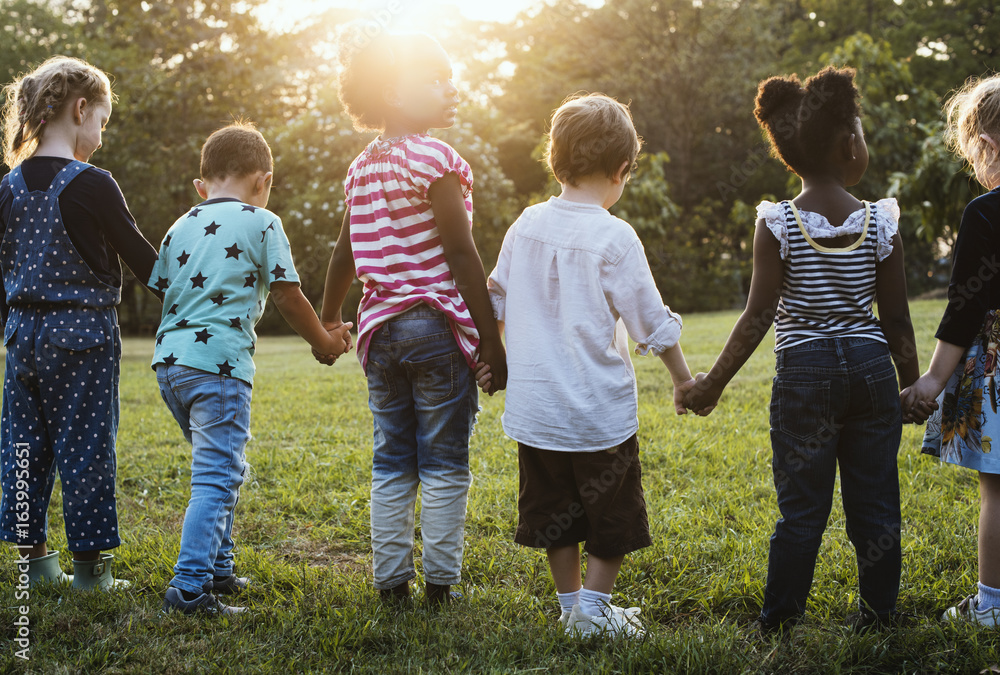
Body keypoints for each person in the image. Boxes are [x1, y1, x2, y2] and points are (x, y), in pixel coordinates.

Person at [684, 67, 922, 633]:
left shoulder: (780, 223)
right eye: (860, 132)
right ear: (849, 146)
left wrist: (711, 384)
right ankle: (879, 616)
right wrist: (909, 383)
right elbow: (896, 319)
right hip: (869, 370)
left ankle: (781, 619)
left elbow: (758, 315)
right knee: (876, 508)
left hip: (804, 374)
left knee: (801, 510)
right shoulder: (878, 223)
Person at [476, 93, 694, 638]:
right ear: (622, 170)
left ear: (558, 160)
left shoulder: (526, 224)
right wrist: (685, 380)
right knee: (611, 512)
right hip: (598, 413)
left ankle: (571, 604)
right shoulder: (613, 236)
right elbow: (651, 320)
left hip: (538, 409)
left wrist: (490, 358)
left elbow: (495, 300)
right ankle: (593, 611)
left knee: (555, 512)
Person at [319, 25, 504, 606]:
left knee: (392, 457)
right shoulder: (436, 158)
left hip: (379, 334)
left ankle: (391, 583)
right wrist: (492, 342)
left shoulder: (359, 168)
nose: (451, 88)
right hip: (432, 326)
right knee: (446, 458)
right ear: (395, 94)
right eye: (436, 78)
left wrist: (330, 317)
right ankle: (441, 585)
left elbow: (344, 252)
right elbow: (461, 253)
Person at [152, 121, 351, 615]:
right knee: (217, 475)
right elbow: (286, 293)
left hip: (171, 365)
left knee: (222, 467)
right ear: (263, 181)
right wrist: (326, 339)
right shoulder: (262, 222)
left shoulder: (179, 226)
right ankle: (189, 587)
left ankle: (218, 568)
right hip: (219, 367)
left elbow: (162, 286)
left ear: (202, 187)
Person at [0, 56, 160, 590]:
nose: (102, 135)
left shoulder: (8, 188)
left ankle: (37, 565)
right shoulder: (93, 183)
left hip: (23, 337)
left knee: (23, 448)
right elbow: (148, 265)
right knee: (87, 447)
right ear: (81, 107)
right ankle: (92, 574)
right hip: (83, 337)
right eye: (103, 123)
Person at [903, 74, 1000, 626]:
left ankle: (992, 606)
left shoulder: (985, 215)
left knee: (998, 491)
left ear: (985, 145)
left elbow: (963, 310)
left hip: (997, 367)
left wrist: (931, 383)